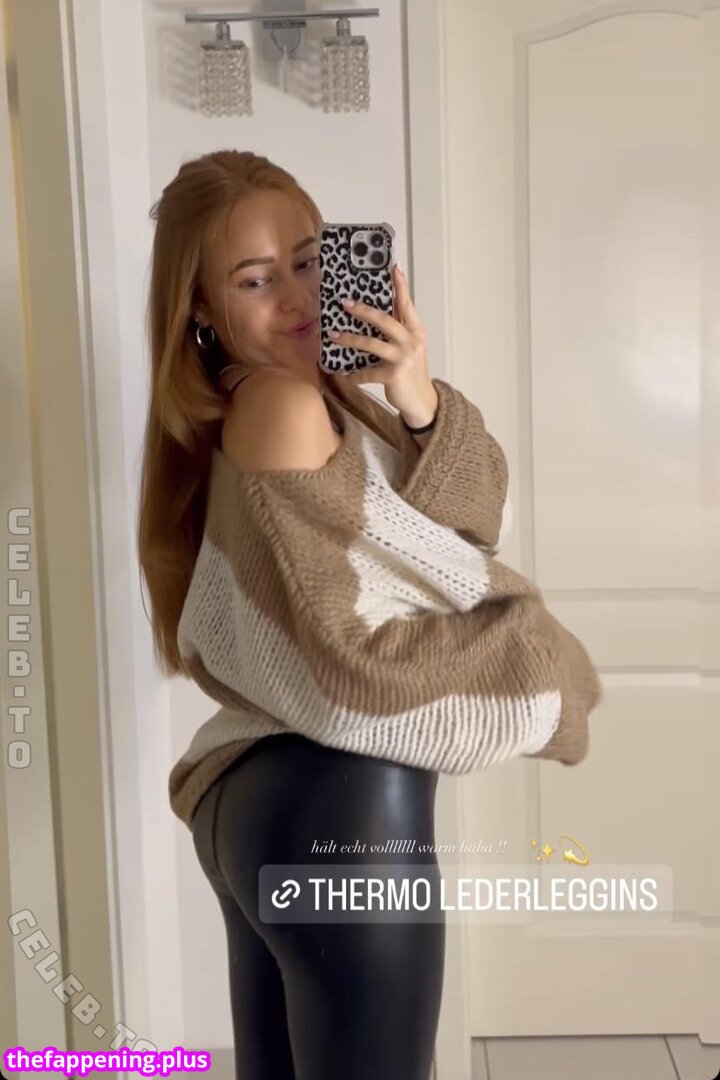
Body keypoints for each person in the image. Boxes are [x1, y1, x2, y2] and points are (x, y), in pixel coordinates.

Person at [137, 150, 447, 1079]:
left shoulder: (274, 401)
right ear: (201, 309)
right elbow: (391, 616)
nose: (299, 296)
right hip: (344, 795)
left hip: (270, 799)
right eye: (255, 279)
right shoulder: (284, 404)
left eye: (308, 261)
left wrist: (417, 399)